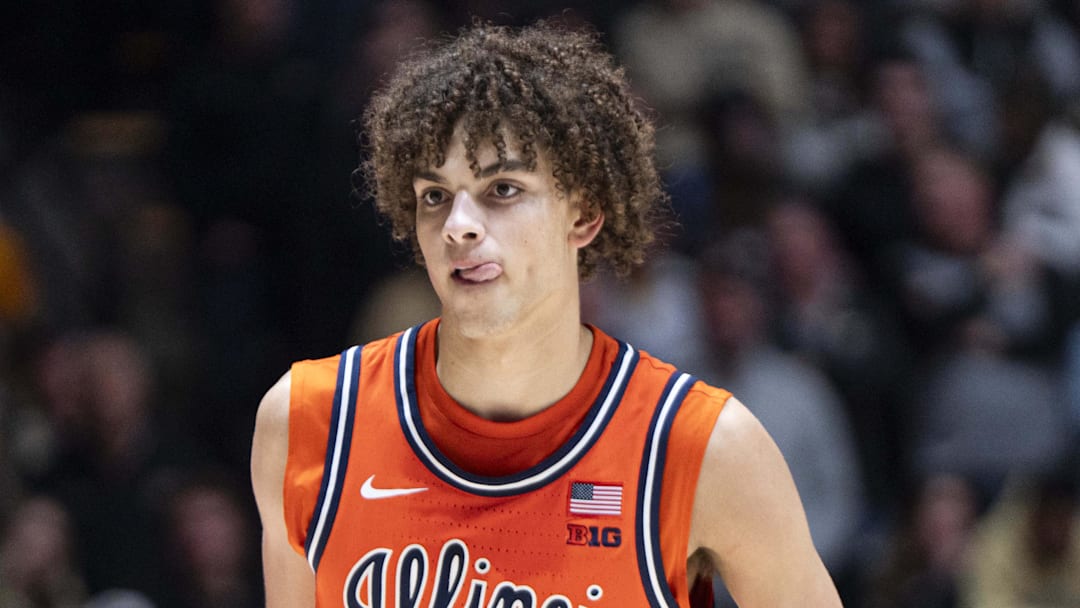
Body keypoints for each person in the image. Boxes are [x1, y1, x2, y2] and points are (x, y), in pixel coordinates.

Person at [251, 21, 841, 608]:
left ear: (583, 215)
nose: (458, 225)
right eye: (435, 196)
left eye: (502, 189)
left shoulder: (705, 447)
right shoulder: (306, 424)